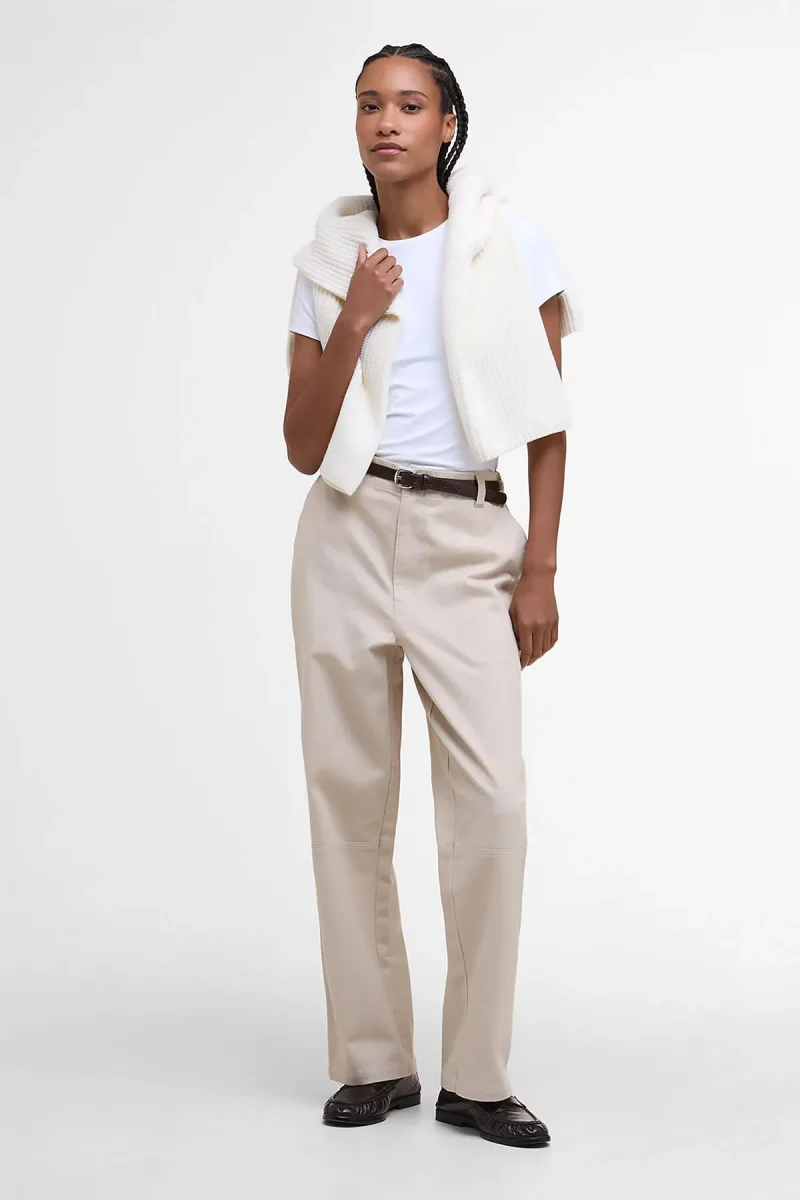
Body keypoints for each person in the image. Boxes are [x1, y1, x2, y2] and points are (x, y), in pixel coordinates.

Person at [283, 42, 581, 1149]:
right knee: (347, 801)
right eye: (370, 104)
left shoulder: (509, 244)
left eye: (409, 104)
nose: (386, 122)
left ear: (448, 123)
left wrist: (538, 567)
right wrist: (356, 316)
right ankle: (374, 1061)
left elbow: (547, 425)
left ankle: (476, 1076)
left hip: (468, 537)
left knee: (491, 806)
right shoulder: (329, 261)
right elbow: (301, 442)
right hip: (346, 533)